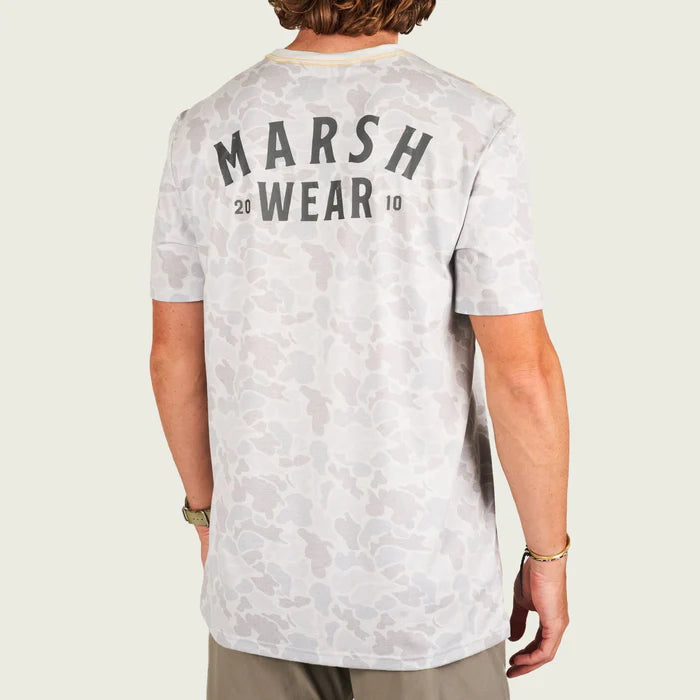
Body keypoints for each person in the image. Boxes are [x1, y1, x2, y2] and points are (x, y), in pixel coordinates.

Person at [149, 1, 570, 698]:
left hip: (261, 582)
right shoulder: (472, 123)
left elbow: (173, 358)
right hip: (421, 593)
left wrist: (208, 518)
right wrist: (548, 556)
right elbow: (522, 373)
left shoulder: (202, 130)